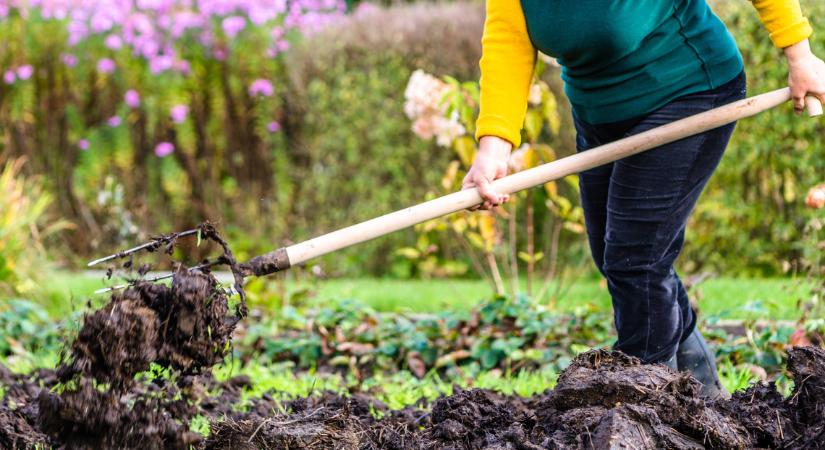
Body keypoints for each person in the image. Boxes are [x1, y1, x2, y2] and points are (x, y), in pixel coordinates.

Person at [462, 0, 825, 398]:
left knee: (635, 261)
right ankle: (703, 397)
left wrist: (799, 54)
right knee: (616, 256)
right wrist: (494, 148)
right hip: (599, 113)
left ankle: (648, 404)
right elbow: (508, 43)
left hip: (688, 91)